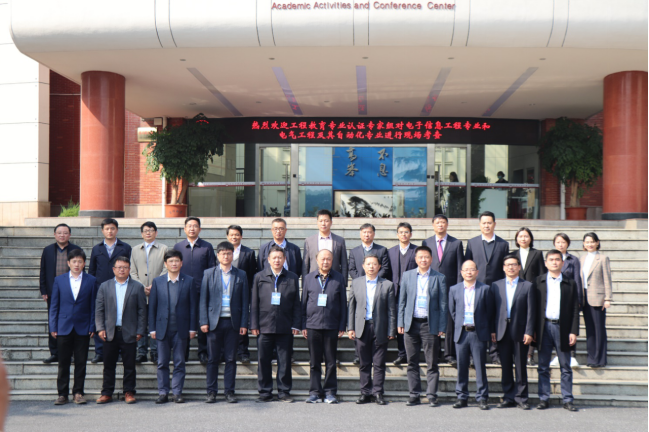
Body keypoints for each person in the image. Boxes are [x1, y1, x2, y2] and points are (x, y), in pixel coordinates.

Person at [398, 246, 448, 407]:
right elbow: (402, 301)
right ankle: (414, 394)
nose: (423, 260)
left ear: (431, 259)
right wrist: (400, 322)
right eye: (420, 257)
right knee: (412, 361)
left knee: (431, 362)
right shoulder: (407, 276)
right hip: (411, 324)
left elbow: (443, 304)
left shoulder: (439, 277)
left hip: (429, 324)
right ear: (416, 259)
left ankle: (432, 395)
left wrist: (442, 325)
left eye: (426, 257)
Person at [251, 246, 302, 403]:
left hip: (285, 326)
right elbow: (254, 302)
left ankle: (284, 391)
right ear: (268, 260)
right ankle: (265, 392)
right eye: (274, 258)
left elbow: (296, 303)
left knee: (284, 361)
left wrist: (296, 324)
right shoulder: (259, 277)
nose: (277, 260)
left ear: (284, 259)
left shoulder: (292, 277)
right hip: (264, 325)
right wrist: (254, 324)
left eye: (280, 257)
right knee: (263, 360)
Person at [201, 242, 249, 404]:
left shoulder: (241, 274)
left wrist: (244, 323)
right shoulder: (209, 273)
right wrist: (204, 321)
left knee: (231, 359)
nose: (226, 256)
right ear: (218, 255)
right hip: (214, 322)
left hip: (233, 322)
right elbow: (203, 299)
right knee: (212, 359)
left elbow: (245, 301)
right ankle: (211, 392)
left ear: (233, 255)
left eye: (229, 253)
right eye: (223, 253)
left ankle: (229, 391)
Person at [94, 257, 147, 404]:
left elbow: (142, 311)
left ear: (129, 269)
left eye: (125, 267)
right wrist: (100, 328)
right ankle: (107, 392)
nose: (122, 270)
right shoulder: (105, 286)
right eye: (119, 267)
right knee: (108, 365)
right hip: (110, 332)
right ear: (113, 269)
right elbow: (99, 310)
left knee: (129, 365)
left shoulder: (137, 287)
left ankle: (129, 392)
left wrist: (140, 330)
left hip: (130, 332)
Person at [49, 249, 97, 405]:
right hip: (63, 326)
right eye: (74, 261)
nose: (77, 264)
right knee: (63, 363)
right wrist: (53, 326)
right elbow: (54, 305)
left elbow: (93, 306)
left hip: (83, 327)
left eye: (80, 261)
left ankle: (78, 392)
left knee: (81, 362)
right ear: (68, 263)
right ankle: (62, 394)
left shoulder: (91, 280)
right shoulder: (59, 280)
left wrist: (92, 325)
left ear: (84, 263)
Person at [348, 253, 397, 405]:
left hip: (380, 328)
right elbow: (351, 307)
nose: (371, 267)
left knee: (379, 363)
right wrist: (350, 327)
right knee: (364, 363)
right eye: (368, 264)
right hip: (361, 327)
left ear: (379, 266)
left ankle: (378, 393)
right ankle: (365, 392)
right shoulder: (356, 283)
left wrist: (391, 330)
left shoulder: (387, 284)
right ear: (363, 266)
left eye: (374, 264)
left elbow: (391, 310)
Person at [149, 250, 197, 404]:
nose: (174, 264)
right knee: (162, 362)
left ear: (181, 263)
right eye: (170, 261)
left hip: (181, 329)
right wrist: (152, 328)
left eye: (176, 261)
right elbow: (153, 307)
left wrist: (192, 328)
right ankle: (163, 392)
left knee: (179, 362)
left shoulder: (189, 281)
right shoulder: (158, 282)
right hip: (162, 329)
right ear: (165, 264)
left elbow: (193, 307)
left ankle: (177, 393)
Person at [535, 250, 580, 412]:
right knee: (543, 366)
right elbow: (533, 308)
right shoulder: (538, 281)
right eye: (551, 260)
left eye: (557, 260)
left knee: (565, 366)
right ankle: (543, 398)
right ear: (546, 263)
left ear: (562, 262)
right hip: (543, 328)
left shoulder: (570, 283)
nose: (554, 262)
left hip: (563, 328)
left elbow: (575, 309)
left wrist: (573, 331)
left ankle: (567, 399)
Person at [302, 249, 347, 404]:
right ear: (317, 260)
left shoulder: (339, 278)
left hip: (331, 325)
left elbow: (343, 304)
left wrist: (342, 325)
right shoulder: (309, 278)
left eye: (328, 259)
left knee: (331, 362)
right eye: (322, 259)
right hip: (312, 325)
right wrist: (303, 325)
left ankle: (330, 392)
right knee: (314, 362)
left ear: (332, 261)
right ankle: (314, 392)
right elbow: (303, 303)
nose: (325, 262)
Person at [465, 211, 509, 364]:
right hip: (476, 287)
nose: (486, 225)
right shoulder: (472, 243)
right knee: (476, 318)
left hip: (497, 288)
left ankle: (495, 354)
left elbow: (505, 268)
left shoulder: (503, 244)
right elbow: (467, 266)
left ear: (494, 224)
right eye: (484, 223)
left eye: (489, 223)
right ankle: (474, 355)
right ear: (479, 225)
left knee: (495, 319)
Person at [492, 255, 535, 410]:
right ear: (503, 268)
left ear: (519, 267)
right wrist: (493, 330)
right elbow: (492, 310)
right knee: (505, 365)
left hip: (520, 330)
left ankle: (522, 398)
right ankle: (508, 397)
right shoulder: (496, 285)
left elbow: (531, 311)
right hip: (502, 330)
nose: (511, 267)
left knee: (521, 366)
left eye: (514, 264)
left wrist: (529, 331)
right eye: (508, 265)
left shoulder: (527, 286)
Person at [449, 261, 494, 410]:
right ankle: (462, 397)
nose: (469, 272)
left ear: (477, 272)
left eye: (472, 269)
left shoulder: (485, 289)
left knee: (480, 367)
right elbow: (452, 311)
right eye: (466, 269)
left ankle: (482, 398)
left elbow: (490, 312)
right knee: (462, 367)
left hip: (478, 333)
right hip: (461, 333)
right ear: (461, 272)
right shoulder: (454, 289)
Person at [89, 218, 132, 364]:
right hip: (101, 288)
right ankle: (99, 351)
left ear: (117, 230)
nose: (110, 231)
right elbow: (92, 271)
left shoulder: (125, 247)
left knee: (120, 316)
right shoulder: (97, 249)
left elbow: (129, 268)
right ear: (102, 231)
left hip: (120, 287)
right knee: (100, 317)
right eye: (107, 229)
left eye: (112, 228)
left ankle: (119, 351)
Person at [422, 215, 464, 366]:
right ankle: (435, 353)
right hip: (431, 287)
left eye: (443, 222)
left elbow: (460, 267)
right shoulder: (426, 242)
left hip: (450, 288)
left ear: (447, 224)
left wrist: (458, 289)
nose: (440, 225)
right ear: (433, 225)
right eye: (437, 222)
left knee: (449, 322)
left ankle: (449, 353)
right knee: (432, 320)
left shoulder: (456, 243)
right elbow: (423, 264)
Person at [173, 217, 216, 365]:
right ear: (184, 229)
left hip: (202, 290)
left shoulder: (207, 247)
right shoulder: (178, 246)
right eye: (189, 226)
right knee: (183, 321)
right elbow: (173, 267)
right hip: (182, 290)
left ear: (200, 229)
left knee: (202, 321)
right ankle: (182, 353)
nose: (192, 229)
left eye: (195, 226)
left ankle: (203, 352)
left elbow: (212, 268)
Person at [348, 223, 390, 364]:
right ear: (360, 234)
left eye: (369, 232)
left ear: (374, 234)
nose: (367, 234)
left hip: (377, 287)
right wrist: (360, 282)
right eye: (364, 232)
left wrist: (373, 278)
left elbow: (385, 268)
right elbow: (352, 269)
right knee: (359, 321)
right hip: (359, 289)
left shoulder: (382, 250)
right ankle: (358, 355)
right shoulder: (354, 251)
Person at [39, 223, 82, 364]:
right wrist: (44, 290)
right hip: (53, 292)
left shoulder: (76, 250)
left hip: (72, 291)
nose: (62, 235)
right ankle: (55, 353)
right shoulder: (48, 250)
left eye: (65, 233)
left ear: (69, 235)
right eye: (59, 233)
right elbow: (43, 271)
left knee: (72, 320)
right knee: (53, 320)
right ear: (54, 234)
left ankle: (71, 353)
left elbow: (82, 270)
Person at [130, 221, 168, 364]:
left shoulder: (163, 248)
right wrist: (142, 287)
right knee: (141, 322)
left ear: (156, 233)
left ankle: (155, 352)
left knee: (155, 322)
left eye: (151, 230)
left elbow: (166, 269)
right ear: (141, 233)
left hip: (158, 292)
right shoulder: (134, 250)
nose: (148, 233)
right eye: (146, 230)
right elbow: (132, 271)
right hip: (140, 292)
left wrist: (154, 285)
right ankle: (141, 352)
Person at [549, 233, 583, 368]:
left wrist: (578, 298)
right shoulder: (550, 258)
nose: (560, 244)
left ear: (568, 244)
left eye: (563, 242)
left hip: (568, 296)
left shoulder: (573, 260)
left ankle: (572, 355)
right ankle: (557, 355)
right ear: (554, 244)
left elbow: (577, 279)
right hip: (554, 296)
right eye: (558, 242)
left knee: (570, 327)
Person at [225, 225, 258, 364]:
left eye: (237, 234)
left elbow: (252, 274)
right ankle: (226, 352)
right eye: (232, 235)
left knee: (242, 322)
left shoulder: (248, 253)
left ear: (241, 236)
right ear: (227, 237)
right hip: (225, 292)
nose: (234, 237)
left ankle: (243, 352)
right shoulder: (222, 251)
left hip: (242, 292)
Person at [387, 222, 418, 366]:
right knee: (398, 322)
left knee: (409, 322)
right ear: (397, 234)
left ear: (411, 234)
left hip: (412, 291)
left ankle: (411, 353)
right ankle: (402, 354)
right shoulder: (391, 251)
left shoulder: (417, 251)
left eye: (406, 232)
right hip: (395, 292)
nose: (403, 234)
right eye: (401, 232)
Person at [580, 232, 613, 368]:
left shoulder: (603, 258)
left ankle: (600, 359)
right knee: (590, 329)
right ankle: (591, 358)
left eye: (592, 242)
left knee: (599, 329)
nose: (590, 244)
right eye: (587, 242)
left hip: (598, 298)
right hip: (584, 298)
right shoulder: (581, 259)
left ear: (597, 243)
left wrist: (607, 298)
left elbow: (607, 279)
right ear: (584, 244)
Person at [303, 209, 348, 283]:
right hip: (314, 280)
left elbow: (344, 264)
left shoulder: (340, 241)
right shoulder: (309, 241)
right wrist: (305, 284)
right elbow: (306, 265)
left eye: (326, 221)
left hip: (334, 280)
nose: (323, 224)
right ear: (317, 222)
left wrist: (344, 283)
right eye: (321, 221)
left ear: (331, 222)